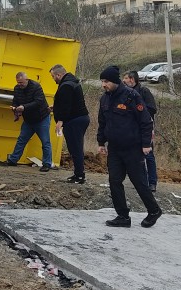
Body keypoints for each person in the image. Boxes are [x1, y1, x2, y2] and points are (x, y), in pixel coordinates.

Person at [97, 65, 163, 228]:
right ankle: (122, 216)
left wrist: (146, 144)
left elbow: (146, 121)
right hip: (115, 148)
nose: (103, 85)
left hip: (133, 147)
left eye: (106, 81)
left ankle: (154, 210)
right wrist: (100, 142)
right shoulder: (105, 98)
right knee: (114, 181)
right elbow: (102, 122)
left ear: (114, 81)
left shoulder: (131, 96)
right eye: (102, 82)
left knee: (139, 181)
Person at [49, 64, 90, 184]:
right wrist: (55, 107)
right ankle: (78, 174)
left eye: (53, 76)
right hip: (79, 118)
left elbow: (66, 105)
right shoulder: (72, 82)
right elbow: (68, 102)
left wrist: (60, 120)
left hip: (74, 121)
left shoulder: (66, 85)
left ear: (59, 74)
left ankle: (79, 176)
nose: (53, 79)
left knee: (75, 148)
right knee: (75, 148)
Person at [5, 72, 53, 172]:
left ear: (27, 80)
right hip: (28, 120)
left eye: (21, 82)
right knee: (21, 140)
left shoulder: (36, 87)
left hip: (42, 118)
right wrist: (15, 110)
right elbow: (15, 101)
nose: (20, 85)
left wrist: (24, 107)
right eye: (18, 82)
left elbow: (38, 102)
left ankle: (47, 164)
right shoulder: (17, 89)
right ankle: (13, 160)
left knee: (45, 142)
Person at [123, 71, 158, 191]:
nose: (124, 81)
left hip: (145, 127)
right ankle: (140, 181)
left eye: (126, 78)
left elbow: (152, 109)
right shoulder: (125, 93)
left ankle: (152, 182)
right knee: (134, 154)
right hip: (130, 128)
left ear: (132, 79)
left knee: (148, 154)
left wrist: (138, 110)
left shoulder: (144, 92)